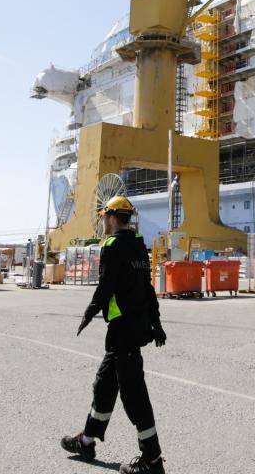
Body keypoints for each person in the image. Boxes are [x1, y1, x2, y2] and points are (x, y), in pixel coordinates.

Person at [60, 196, 168, 473]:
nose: (102, 222)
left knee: (134, 395)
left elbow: (106, 285)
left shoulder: (113, 245)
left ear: (111, 217)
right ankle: (86, 440)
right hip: (131, 328)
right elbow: (147, 287)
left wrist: (90, 311)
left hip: (124, 330)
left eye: (104, 216)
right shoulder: (138, 245)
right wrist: (156, 322)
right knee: (104, 385)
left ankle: (152, 460)